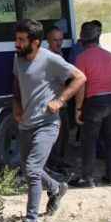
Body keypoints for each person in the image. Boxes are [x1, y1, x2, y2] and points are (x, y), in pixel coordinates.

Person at [12, 19, 87, 222]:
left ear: (35, 42)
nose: (16, 44)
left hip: (47, 123)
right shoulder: (17, 59)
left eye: (21, 40)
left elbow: (80, 77)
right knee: (28, 169)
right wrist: (16, 105)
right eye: (16, 39)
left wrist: (61, 100)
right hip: (26, 123)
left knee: (33, 170)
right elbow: (16, 83)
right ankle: (56, 188)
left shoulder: (51, 59)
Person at [70, 22, 111, 187]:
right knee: (110, 140)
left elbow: (80, 85)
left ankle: (87, 178)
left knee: (89, 141)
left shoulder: (82, 58)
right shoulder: (110, 55)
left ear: (83, 39)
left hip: (94, 102)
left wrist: (78, 109)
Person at [45, 27, 71, 173]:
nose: (59, 43)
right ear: (48, 40)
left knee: (64, 134)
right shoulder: (48, 56)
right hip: (53, 101)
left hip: (62, 101)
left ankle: (60, 161)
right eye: (56, 40)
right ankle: (53, 164)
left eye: (61, 40)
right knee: (55, 135)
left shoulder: (59, 54)